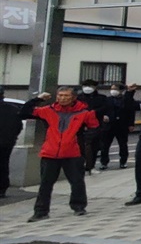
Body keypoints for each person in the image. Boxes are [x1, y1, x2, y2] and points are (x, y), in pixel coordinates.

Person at [20, 87, 98, 221]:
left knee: (77, 181)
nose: (62, 98)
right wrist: (37, 99)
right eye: (60, 95)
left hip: (73, 153)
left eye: (66, 96)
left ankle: (79, 206)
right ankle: (41, 211)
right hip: (50, 152)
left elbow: (94, 128)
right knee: (45, 183)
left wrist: (82, 141)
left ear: (73, 97)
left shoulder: (85, 112)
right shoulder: (48, 110)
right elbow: (23, 113)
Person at [77, 79, 110, 173]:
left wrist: (94, 113)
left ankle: (91, 165)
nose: (87, 88)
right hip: (80, 125)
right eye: (85, 86)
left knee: (94, 146)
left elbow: (106, 108)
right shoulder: (78, 98)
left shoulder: (102, 98)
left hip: (96, 125)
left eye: (90, 86)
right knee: (80, 146)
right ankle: (81, 165)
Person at [106, 83, 137, 168]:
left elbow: (131, 112)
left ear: (121, 90)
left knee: (123, 144)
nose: (113, 91)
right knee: (105, 144)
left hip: (122, 125)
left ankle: (123, 161)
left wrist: (131, 124)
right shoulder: (107, 100)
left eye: (115, 89)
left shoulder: (126, 100)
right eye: (112, 89)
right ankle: (104, 162)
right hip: (109, 125)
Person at [0, 87, 22, 198]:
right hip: (7, 142)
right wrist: (12, 138)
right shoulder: (13, 109)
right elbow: (18, 126)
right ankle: (2, 188)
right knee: (4, 164)